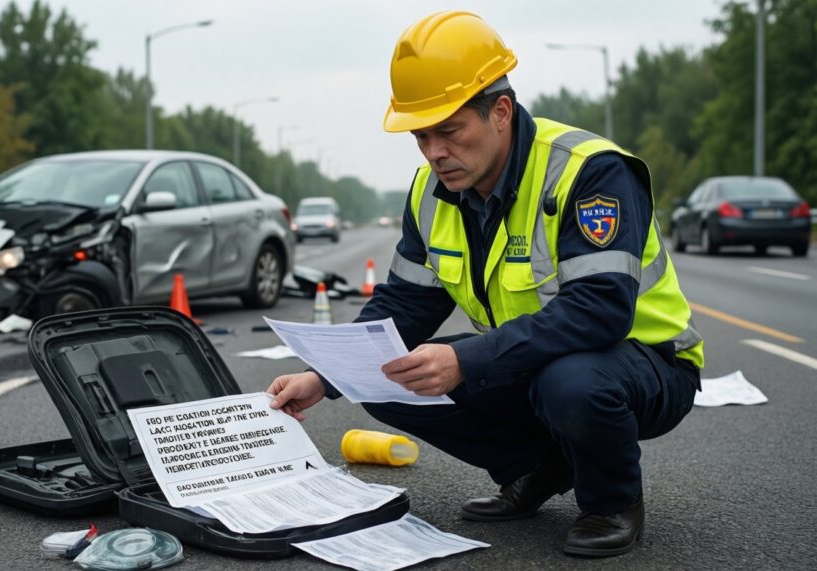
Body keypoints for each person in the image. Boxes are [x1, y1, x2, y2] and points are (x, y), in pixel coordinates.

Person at [267, 10, 703, 558]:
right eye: (421, 136)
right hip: (533, 356)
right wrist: (324, 375)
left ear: (500, 111)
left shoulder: (588, 172)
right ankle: (539, 468)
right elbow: (403, 305)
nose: (433, 152)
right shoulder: (430, 191)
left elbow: (601, 311)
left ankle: (610, 503)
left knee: (569, 381)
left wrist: (468, 361)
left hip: (644, 362)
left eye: (449, 131)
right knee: (389, 374)